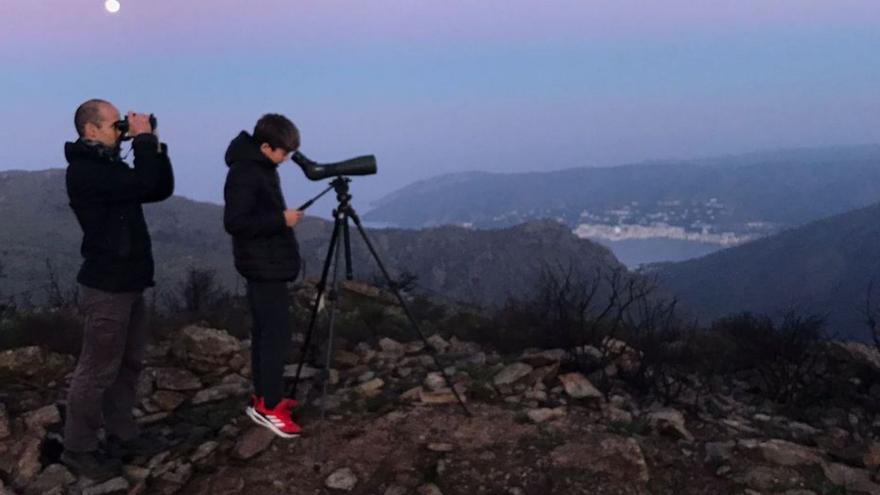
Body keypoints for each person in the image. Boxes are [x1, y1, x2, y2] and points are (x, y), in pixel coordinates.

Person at [62, 99, 174, 480]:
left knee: (129, 364)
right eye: (114, 125)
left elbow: (158, 188)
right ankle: (78, 448)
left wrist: (154, 145)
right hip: (107, 284)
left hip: (130, 280)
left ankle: (122, 434)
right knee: (97, 369)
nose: (119, 130)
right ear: (90, 130)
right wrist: (141, 143)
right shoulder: (85, 170)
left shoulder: (109, 165)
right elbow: (143, 182)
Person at [223, 114, 303, 438]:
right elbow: (236, 222)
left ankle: (265, 398)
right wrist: (280, 220)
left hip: (266, 264)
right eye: (283, 152)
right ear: (266, 146)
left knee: (268, 334)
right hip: (262, 266)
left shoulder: (258, 167)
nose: (285, 159)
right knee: (274, 337)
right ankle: (269, 408)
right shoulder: (247, 172)